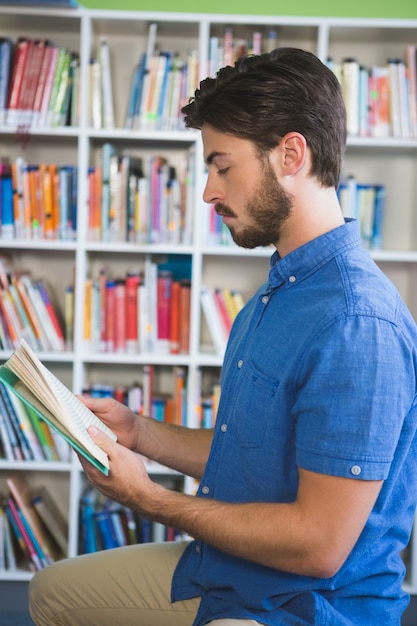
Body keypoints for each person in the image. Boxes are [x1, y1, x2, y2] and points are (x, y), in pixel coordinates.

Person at [29, 47, 417, 626]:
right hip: (230, 568)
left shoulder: (357, 323)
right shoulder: (276, 293)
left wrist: (149, 499)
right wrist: (139, 434)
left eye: (222, 166)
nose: (209, 192)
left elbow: (319, 544)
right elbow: (255, 455)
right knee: (49, 592)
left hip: (306, 607)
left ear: (291, 155)